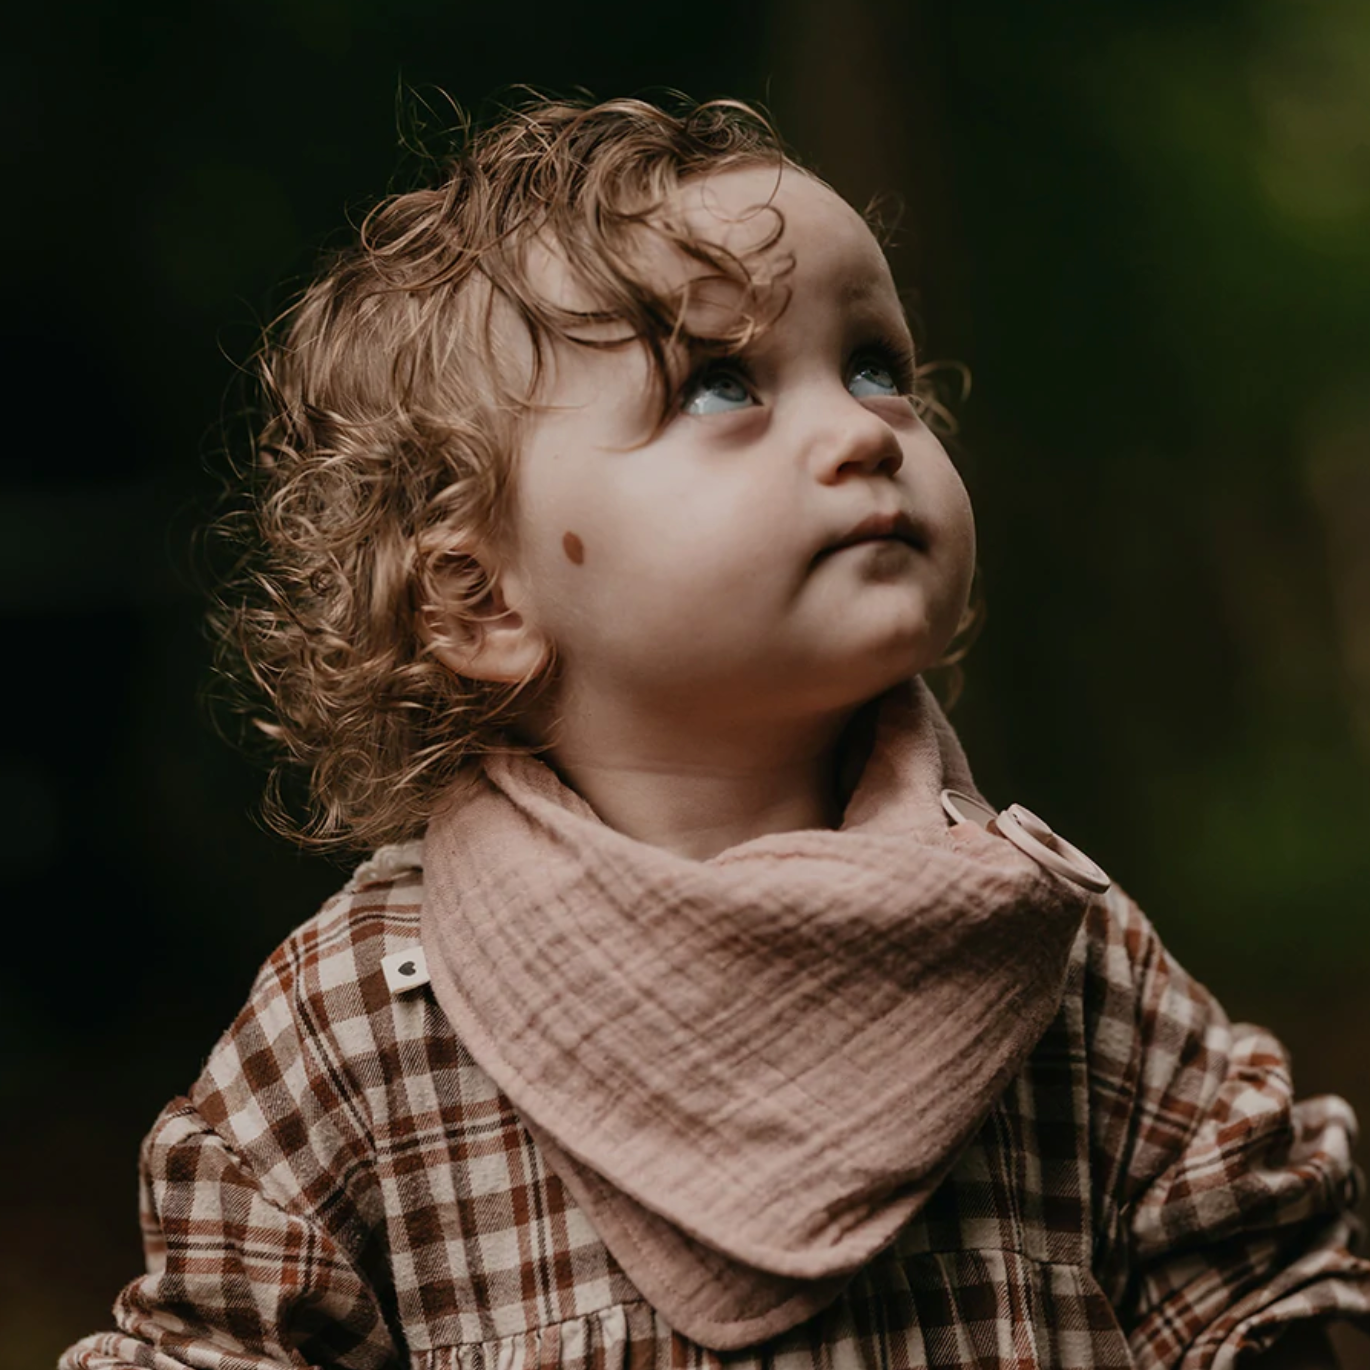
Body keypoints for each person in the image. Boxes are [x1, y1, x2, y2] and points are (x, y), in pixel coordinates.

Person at [62, 94, 1370, 1370]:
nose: (860, 429)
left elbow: (1254, 1279)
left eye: (875, 365)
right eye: (718, 383)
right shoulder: (354, 1031)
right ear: (479, 596)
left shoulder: (1053, 951)